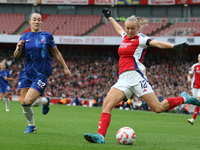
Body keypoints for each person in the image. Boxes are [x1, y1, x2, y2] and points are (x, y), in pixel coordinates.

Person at [83, 8, 200, 144]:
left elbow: (157, 43)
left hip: (137, 77)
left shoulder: (141, 39)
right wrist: (110, 18)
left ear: (138, 28)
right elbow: (119, 30)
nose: (130, 31)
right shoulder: (124, 36)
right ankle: (100, 136)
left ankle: (184, 98)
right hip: (123, 79)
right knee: (107, 105)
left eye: (133, 28)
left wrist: (173, 47)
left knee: (158, 108)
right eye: (128, 28)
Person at [13, 12, 71, 133]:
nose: (36, 21)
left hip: (41, 73)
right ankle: (32, 125)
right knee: (24, 103)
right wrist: (19, 47)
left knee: (28, 101)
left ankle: (45, 101)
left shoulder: (47, 36)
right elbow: (16, 56)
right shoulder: (24, 36)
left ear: (41, 22)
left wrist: (65, 67)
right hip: (27, 73)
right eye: (34, 19)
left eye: (39, 20)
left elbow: (56, 53)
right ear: (30, 21)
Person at [187, 53, 200, 125]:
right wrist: (189, 79)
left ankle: (193, 119)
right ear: (198, 58)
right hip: (195, 88)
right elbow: (189, 75)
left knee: (198, 102)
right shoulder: (195, 66)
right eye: (199, 57)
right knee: (197, 103)